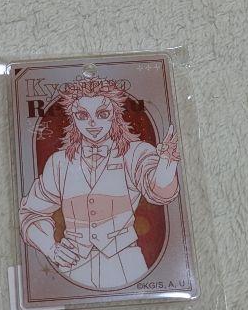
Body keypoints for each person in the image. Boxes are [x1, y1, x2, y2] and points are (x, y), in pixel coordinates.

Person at [20, 77, 180, 290]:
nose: (93, 123)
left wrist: (168, 163)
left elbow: (158, 189)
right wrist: (51, 248)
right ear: (73, 117)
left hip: (126, 263)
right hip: (73, 266)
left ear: (115, 114)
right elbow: (31, 213)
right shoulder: (59, 163)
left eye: (102, 114)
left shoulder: (134, 153)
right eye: (82, 116)